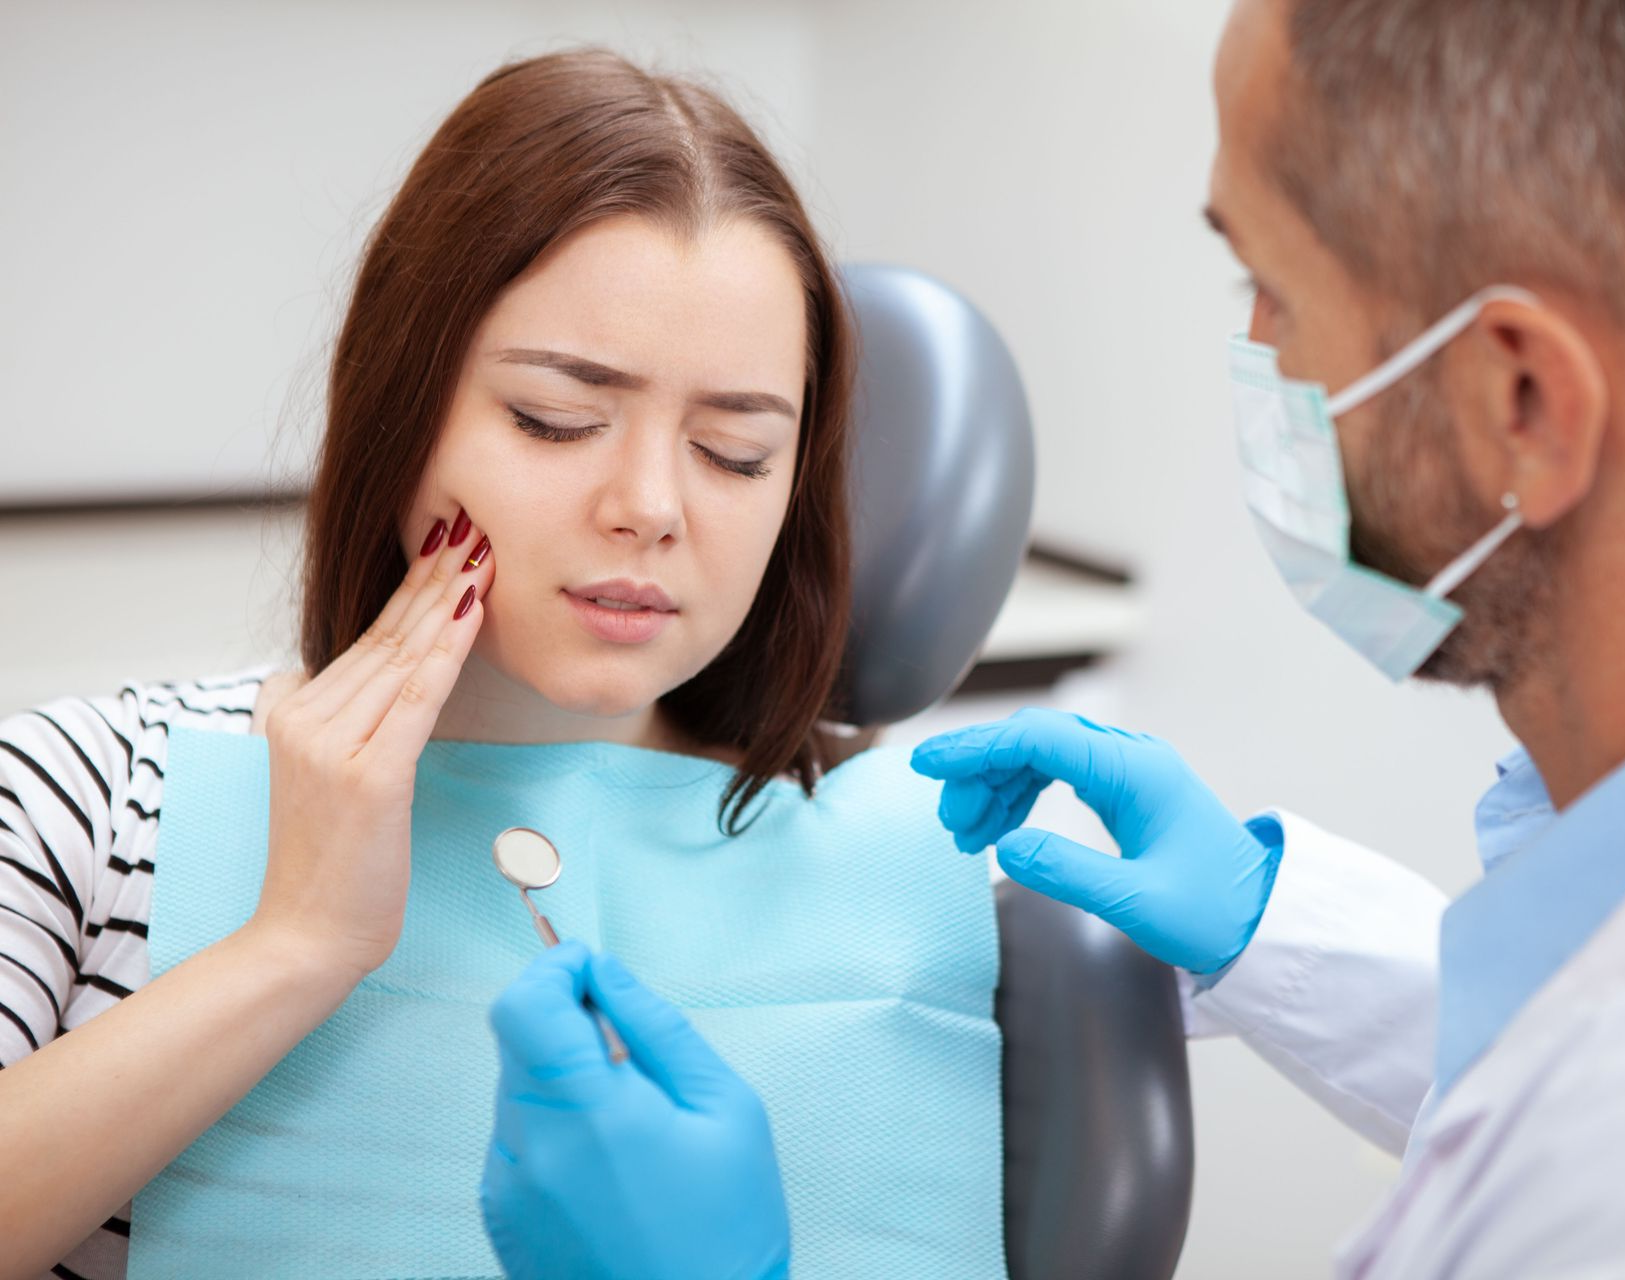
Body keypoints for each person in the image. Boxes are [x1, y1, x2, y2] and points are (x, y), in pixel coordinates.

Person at [491, 0, 1625, 1276]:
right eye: (555, 418)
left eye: (1276, 296)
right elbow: (1577, 1062)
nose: (1257, 355)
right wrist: (1273, 926)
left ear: (1522, 407)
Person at [0, 49, 1003, 1280]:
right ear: (402, 405)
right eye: (554, 420)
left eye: (737, 452)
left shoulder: (935, 875)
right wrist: (293, 943)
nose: (648, 506)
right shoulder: (88, 794)